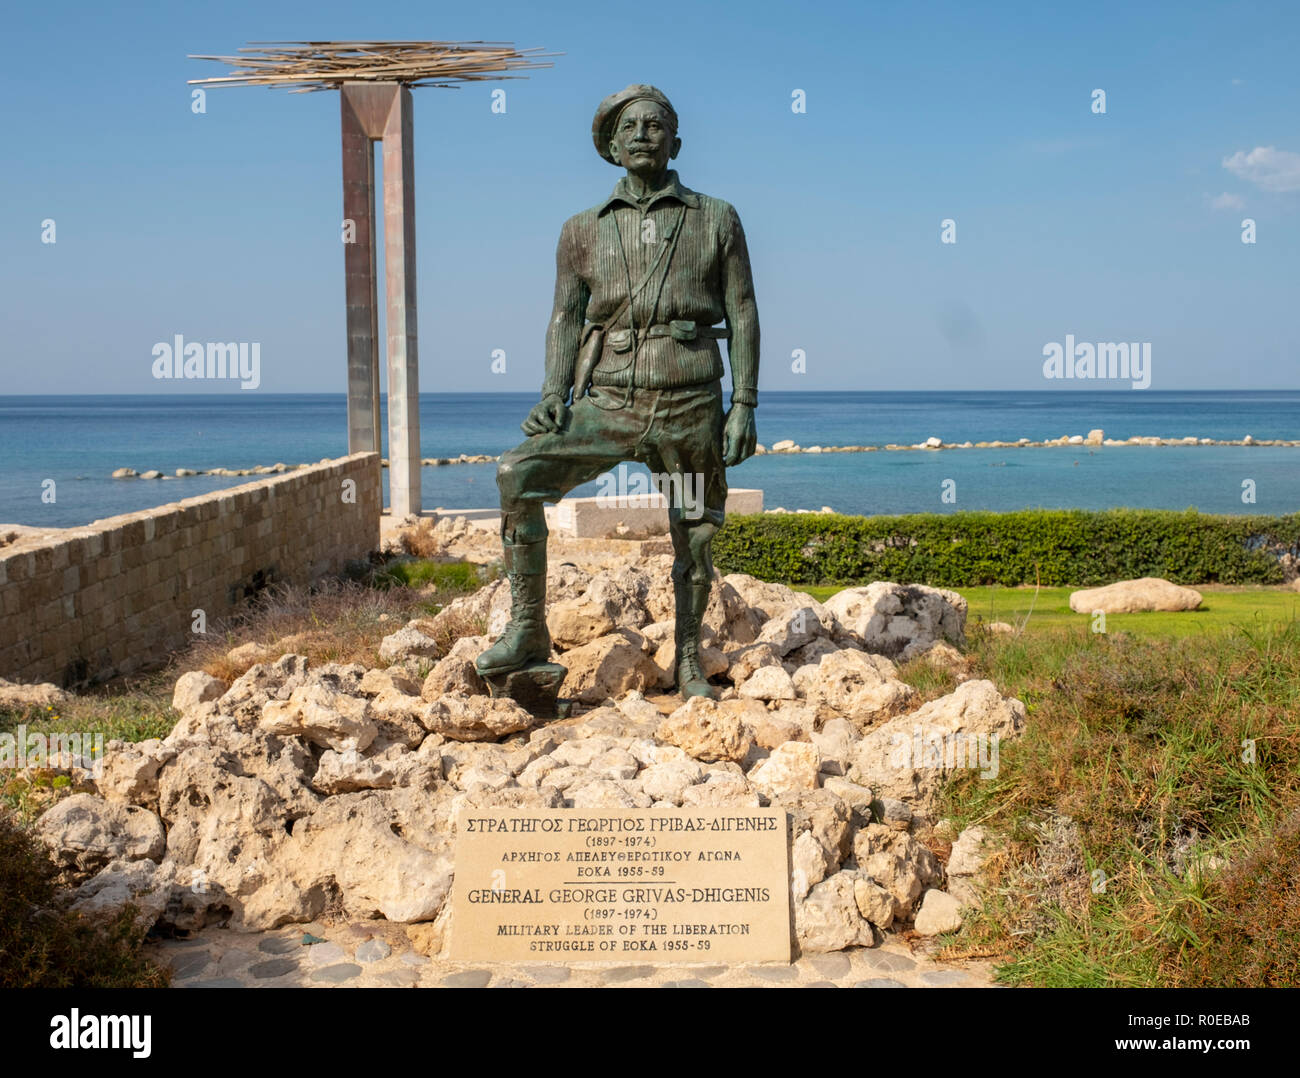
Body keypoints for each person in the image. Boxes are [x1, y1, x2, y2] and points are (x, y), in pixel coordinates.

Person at [476, 84, 760, 699]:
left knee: (694, 526)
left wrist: (745, 404)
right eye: (628, 126)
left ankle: (688, 661)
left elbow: (743, 312)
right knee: (516, 475)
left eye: (655, 124)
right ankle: (527, 631)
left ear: (676, 141)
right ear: (610, 145)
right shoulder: (580, 230)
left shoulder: (716, 217)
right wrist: (554, 391)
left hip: (689, 405)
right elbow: (563, 320)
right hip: (608, 404)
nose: (641, 134)